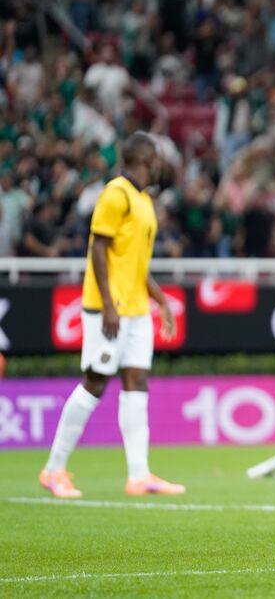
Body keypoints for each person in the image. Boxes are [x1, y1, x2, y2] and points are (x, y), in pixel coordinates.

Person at [39, 132, 186, 499]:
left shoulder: (144, 200)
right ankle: (54, 469)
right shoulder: (115, 194)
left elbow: (135, 263)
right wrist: (107, 303)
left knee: (137, 383)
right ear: (146, 160)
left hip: (136, 308)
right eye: (157, 159)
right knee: (96, 381)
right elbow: (98, 249)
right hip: (110, 307)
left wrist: (161, 301)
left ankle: (139, 475)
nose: (160, 165)